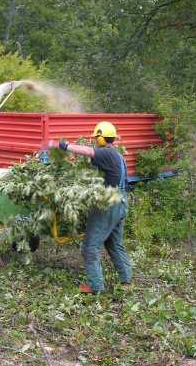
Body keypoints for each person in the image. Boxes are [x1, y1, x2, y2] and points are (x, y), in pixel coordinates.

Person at [52, 121, 132, 294]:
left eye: (97, 138)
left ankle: (96, 288)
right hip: (120, 202)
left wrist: (65, 146)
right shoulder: (117, 155)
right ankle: (126, 281)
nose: (96, 141)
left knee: (89, 247)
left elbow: (88, 151)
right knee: (114, 243)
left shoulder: (105, 153)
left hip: (108, 204)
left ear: (102, 138)